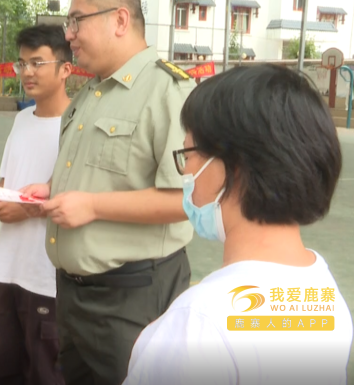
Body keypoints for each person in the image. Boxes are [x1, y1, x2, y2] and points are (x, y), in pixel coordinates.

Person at [123, 65, 352, 384]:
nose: (186, 172)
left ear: (233, 167)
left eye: (189, 155)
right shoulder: (323, 293)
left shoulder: (197, 324)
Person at [22, 0, 195, 385]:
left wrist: (92, 207)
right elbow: (98, 172)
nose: (69, 34)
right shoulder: (88, 96)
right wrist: (50, 190)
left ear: (119, 19)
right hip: (74, 296)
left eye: (77, 21)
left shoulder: (169, 92)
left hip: (132, 300)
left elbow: (187, 199)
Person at [0, 25, 72, 385]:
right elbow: (6, 184)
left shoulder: (77, 126)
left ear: (65, 69)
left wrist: (24, 210)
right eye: (22, 64)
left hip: (45, 277)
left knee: (45, 375)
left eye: (37, 63)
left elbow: (76, 194)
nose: (27, 72)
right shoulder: (20, 120)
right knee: (4, 372)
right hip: (5, 271)